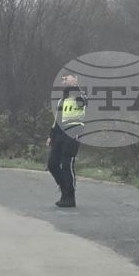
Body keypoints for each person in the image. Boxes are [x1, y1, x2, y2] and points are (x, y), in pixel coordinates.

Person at [47, 74, 87, 208]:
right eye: (66, 80)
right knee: (52, 164)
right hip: (59, 135)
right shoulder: (61, 101)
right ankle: (64, 191)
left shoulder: (81, 96)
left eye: (69, 79)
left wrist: (75, 86)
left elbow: (83, 102)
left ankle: (70, 196)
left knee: (66, 164)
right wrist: (51, 136)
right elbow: (56, 121)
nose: (66, 81)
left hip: (73, 134)